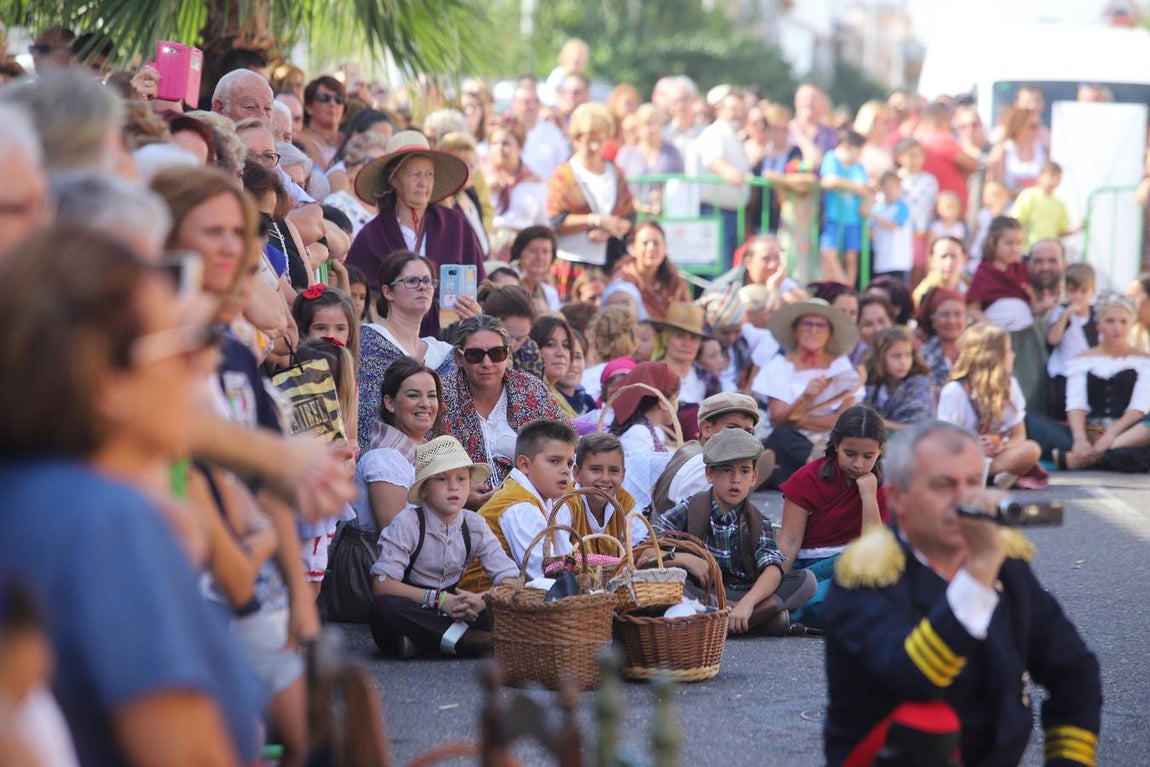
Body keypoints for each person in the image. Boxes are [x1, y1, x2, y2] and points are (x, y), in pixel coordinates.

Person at [0, 225, 261, 765]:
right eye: (179, 343)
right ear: (105, 379)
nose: (199, 365)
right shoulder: (107, 523)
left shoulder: (31, 494)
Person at [822, 421, 1101, 767]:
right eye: (944, 485)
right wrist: (980, 567)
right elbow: (914, 678)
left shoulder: (1006, 565)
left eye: (972, 483)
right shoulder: (868, 571)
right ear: (897, 499)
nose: (965, 499)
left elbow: (1075, 671)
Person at [655, 429, 817, 636]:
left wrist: (747, 604)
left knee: (806, 581)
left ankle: (720, 619)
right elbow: (644, 554)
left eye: (744, 471)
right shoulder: (690, 509)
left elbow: (773, 569)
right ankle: (754, 620)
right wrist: (684, 559)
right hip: (702, 592)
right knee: (673, 586)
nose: (735, 479)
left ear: (754, 477)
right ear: (710, 474)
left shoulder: (758, 521)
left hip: (743, 594)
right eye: (726, 470)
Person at [368, 436, 518, 659]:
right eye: (441, 479)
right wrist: (439, 600)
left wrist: (481, 600)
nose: (453, 487)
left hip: (457, 609)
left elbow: (511, 580)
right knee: (384, 608)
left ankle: (427, 642)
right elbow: (382, 585)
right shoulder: (408, 522)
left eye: (461, 479)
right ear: (424, 489)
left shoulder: (474, 524)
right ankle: (466, 641)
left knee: (511, 602)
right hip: (416, 603)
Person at [345, 131, 486, 337]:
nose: (423, 182)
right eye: (415, 174)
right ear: (394, 180)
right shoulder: (372, 235)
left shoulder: (455, 224)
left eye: (428, 174)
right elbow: (357, 292)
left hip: (453, 335)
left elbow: (479, 284)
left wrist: (473, 311)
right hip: (391, 340)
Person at [440, 315, 570, 504]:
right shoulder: (441, 396)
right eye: (475, 355)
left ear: (508, 355)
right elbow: (426, 463)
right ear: (459, 358)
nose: (487, 363)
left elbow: (566, 444)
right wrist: (462, 495)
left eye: (496, 353)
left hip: (531, 507)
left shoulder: (531, 390)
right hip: (459, 513)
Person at [778, 405, 888, 628]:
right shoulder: (807, 479)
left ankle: (783, 614)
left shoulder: (880, 485)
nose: (858, 464)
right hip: (812, 572)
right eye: (850, 453)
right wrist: (774, 581)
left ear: (880, 451)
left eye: (868, 456)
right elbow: (789, 541)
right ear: (836, 445)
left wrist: (868, 497)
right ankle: (780, 609)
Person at [1028, 294, 1150, 473]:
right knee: (1029, 421)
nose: (1117, 328)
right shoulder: (1083, 359)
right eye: (1110, 321)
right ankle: (1105, 455)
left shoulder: (1144, 360)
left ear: (1131, 325)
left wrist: (1110, 436)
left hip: (1129, 433)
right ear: (1098, 324)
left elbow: (1139, 407)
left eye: (1123, 322)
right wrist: (1080, 438)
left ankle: (1087, 458)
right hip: (1091, 429)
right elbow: (1076, 404)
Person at [356, 252, 457, 454]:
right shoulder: (365, 341)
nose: (423, 287)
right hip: (382, 461)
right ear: (388, 291)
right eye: (412, 281)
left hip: (439, 467)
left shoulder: (444, 352)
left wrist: (474, 323)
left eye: (428, 281)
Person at [460, 420, 579, 591]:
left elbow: (564, 558)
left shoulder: (543, 499)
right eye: (554, 461)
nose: (566, 470)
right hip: (483, 603)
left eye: (568, 463)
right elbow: (546, 573)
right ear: (524, 464)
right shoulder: (519, 506)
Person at [754, 298, 861, 489]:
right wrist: (805, 397)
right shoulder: (778, 366)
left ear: (829, 333)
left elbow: (845, 420)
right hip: (791, 440)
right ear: (795, 330)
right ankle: (822, 469)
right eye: (807, 324)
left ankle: (815, 469)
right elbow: (778, 419)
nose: (813, 330)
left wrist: (799, 419)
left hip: (831, 439)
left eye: (820, 326)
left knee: (852, 439)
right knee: (781, 437)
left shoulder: (841, 366)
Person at [937, 322, 1044, 489]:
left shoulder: (1009, 385)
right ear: (994, 357)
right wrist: (976, 445)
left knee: (1031, 449)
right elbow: (947, 441)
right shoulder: (955, 391)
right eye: (1008, 351)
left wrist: (1002, 446)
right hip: (965, 456)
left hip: (997, 456)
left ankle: (987, 474)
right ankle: (989, 475)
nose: (1013, 355)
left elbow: (1019, 435)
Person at [547, 102, 637, 298]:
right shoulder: (565, 174)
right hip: (573, 263)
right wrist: (595, 220)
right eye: (589, 140)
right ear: (577, 139)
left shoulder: (615, 172)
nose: (595, 146)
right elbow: (556, 219)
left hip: (608, 264)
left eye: (600, 140)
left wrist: (613, 229)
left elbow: (629, 217)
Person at [966, 216, 1047, 413]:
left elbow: (1029, 305)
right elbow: (973, 308)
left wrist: (1042, 306)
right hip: (998, 339)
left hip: (1027, 339)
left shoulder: (1021, 271)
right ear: (993, 243)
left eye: (1019, 243)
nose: (1015, 248)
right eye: (1009, 243)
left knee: (1031, 383)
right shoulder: (984, 272)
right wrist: (992, 327)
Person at [649, 392, 768, 518]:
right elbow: (695, 524)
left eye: (748, 431)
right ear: (707, 429)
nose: (741, 437)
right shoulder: (705, 465)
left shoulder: (691, 449)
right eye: (733, 428)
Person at [693, 89, 751, 268]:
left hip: (731, 213)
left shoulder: (732, 135)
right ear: (719, 110)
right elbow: (713, 159)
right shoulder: (715, 132)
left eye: (740, 109)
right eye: (732, 108)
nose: (737, 114)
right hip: (716, 212)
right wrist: (729, 173)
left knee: (728, 267)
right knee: (720, 269)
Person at [568, 432, 648, 553]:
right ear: (577, 473)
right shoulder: (568, 503)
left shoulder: (624, 502)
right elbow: (560, 556)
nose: (605, 478)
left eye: (614, 471)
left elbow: (642, 547)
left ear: (623, 475)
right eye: (596, 469)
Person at [649, 301, 716, 440]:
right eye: (680, 336)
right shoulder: (650, 374)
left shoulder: (708, 379)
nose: (687, 344)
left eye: (693, 338)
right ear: (666, 339)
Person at [484, 117, 548, 259]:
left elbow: (542, 224)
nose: (499, 149)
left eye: (505, 143)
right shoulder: (481, 179)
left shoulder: (534, 182)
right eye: (494, 143)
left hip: (521, 252)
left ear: (519, 146)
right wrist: (486, 189)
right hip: (487, 251)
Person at [608, 220, 690, 322]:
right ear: (633, 248)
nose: (651, 248)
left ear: (665, 248)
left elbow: (687, 320)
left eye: (656, 243)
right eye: (645, 243)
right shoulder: (621, 282)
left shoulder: (675, 283)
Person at [1044, 263, 1097, 420]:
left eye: (1083, 291)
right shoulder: (1061, 313)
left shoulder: (1096, 315)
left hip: (1088, 372)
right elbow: (1053, 339)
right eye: (1073, 291)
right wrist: (1066, 315)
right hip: (1064, 372)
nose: (1078, 297)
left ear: (1092, 291)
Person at [819, 130, 870, 286]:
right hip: (833, 217)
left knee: (851, 258)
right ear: (847, 146)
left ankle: (848, 288)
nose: (859, 156)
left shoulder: (858, 167)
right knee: (827, 253)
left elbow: (863, 188)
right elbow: (829, 181)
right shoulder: (831, 158)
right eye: (858, 151)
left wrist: (845, 184)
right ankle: (843, 286)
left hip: (853, 220)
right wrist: (854, 186)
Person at [615, 102, 684, 216]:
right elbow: (619, 185)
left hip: (665, 215)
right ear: (638, 127)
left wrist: (664, 196)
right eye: (648, 123)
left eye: (658, 123)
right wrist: (633, 203)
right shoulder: (626, 153)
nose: (654, 128)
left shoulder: (672, 153)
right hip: (633, 215)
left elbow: (681, 184)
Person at [862, 327, 935, 430]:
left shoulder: (918, 385)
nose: (904, 362)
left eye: (908, 355)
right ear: (880, 358)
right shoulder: (871, 384)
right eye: (896, 356)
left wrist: (880, 423)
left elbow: (920, 429)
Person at [608, 361, 681, 454]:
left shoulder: (650, 431)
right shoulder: (638, 434)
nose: (677, 403)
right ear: (663, 403)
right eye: (676, 398)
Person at [893, 137, 939, 284]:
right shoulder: (895, 178)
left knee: (918, 269)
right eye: (910, 155)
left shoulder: (930, 180)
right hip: (899, 233)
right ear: (900, 157)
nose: (915, 159)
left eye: (918, 155)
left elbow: (934, 206)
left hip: (921, 233)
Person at [478, 281, 545, 378]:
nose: (512, 344)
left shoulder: (529, 351)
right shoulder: (471, 347)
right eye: (506, 336)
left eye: (520, 339)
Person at [1010, 161, 1076, 246]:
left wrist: (1076, 230)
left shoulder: (1060, 204)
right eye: (1051, 174)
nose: (1054, 179)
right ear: (1040, 176)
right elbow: (1016, 221)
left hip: (1049, 251)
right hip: (1029, 250)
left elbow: (1060, 232)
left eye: (1057, 176)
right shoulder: (1029, 195)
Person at [988, 106, 1048, 197]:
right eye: (1033, 126)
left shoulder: (1043, 150)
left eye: (1038, 126)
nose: (1037, 130)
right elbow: (994, 185)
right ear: (1019, 126)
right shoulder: (1003, 150)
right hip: (1009, 206)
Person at [917, 287, 967, 390]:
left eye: (958, 314)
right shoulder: (922, 356)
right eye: (945, 314)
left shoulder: (977, 352)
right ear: (933, 321)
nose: (952, 320)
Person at [868, 170, 913, 284]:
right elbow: (870, 234)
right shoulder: (876, 209)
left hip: (899, 262)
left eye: (893, 186)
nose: (890, 189)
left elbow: (892, 226)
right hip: (881, 262)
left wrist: (870, 215)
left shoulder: (903, 207)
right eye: (887, 186)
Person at [530, 313, 578, 417]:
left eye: (566, 345)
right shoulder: (532, 397)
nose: (561, 353)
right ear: (534, 349)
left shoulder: (555, 394)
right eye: (550, 345)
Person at [296, 76, 347, 169]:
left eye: (339, 99)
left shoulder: (348, 139)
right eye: (324, 98)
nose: (332, 104)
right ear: (308, 107)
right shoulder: (298, 139)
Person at [511, 225, 562, 313]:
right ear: (519, 253)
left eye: (545, 252)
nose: (540, 257)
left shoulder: (550, 293)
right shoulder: (507, 284)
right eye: (533, 251)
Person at [912, 236, 969, 307]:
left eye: (953, 256)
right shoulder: (923, 295)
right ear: (931, 260)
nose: (949, 262)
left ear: (964, 259)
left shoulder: (971, 289)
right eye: (943, 256)